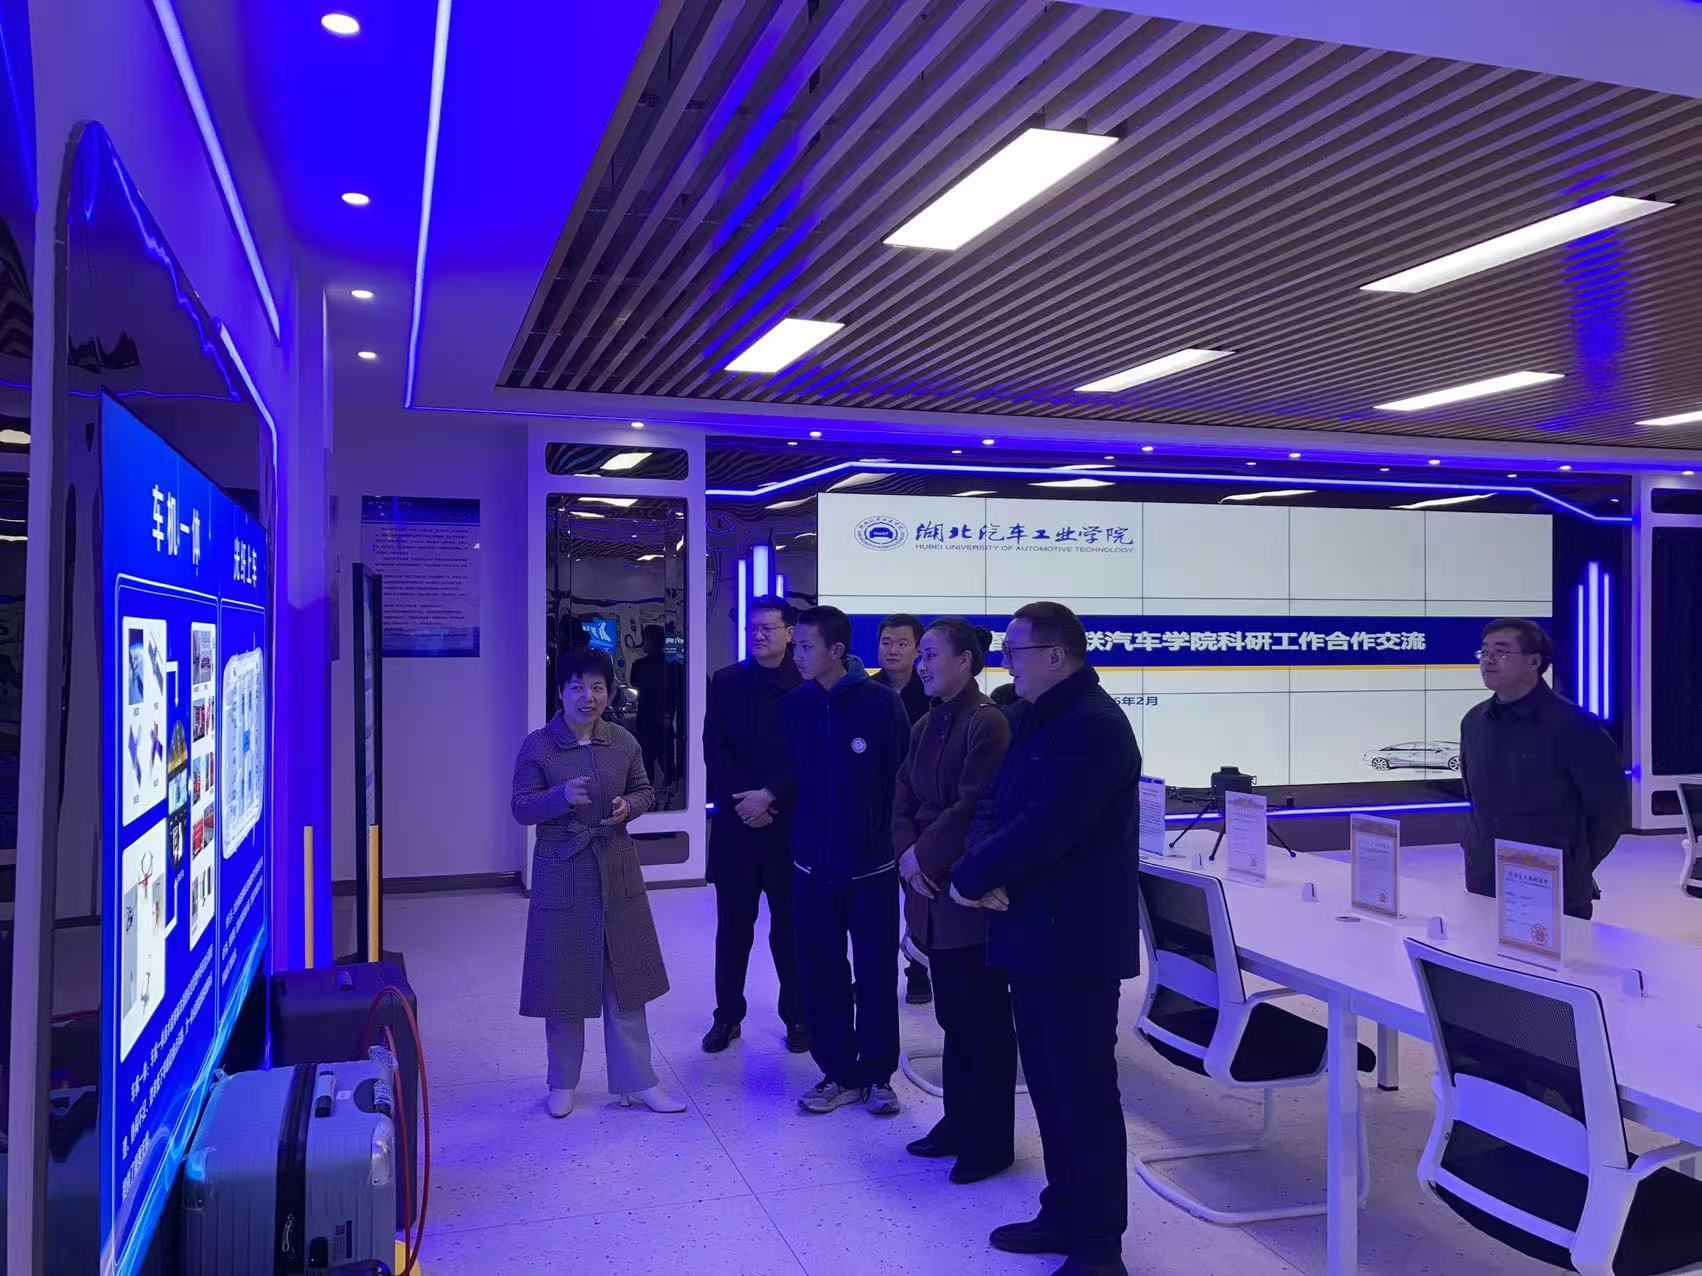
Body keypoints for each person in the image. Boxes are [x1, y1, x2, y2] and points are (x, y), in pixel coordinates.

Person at [952, 602, 1141, 1276]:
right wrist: (977, 869)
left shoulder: (1095, 726)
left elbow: (1049, 825)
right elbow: (994, 804)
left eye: (1015, 652)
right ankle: (1062, 1212)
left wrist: (971, 877)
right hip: (1032, 930)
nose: (1006, 663)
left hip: (1075, 942)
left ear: (1056, 656)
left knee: (1083, 1092)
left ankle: (1098, 1245)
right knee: (1050, 1086)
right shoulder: (1034, 715)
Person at [511, 647, 685, 1118]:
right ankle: (562, 1082)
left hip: (616, 866)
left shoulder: (622, 741)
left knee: (626, 979)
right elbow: (521, 807)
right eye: (578, 687)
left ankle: (638, 1082)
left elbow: (644, 789)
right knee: (562, 980)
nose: (588, 696)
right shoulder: (539, 746)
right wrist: (560, 796)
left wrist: (631, 807)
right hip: (563, 870)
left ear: (609, 693)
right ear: (561, 691)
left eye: (598, 687)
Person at [893, 618, 1015, 1184]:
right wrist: (907, 856)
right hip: (929, 890)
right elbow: (901, 797)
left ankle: (989, 1142)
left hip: (966, 891)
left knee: (982, 1022)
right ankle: (958, 1122)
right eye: (920, 655)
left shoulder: (987, 721)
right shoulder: (926, 722)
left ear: (965, 661)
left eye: (931, 655)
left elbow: (972, 807)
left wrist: (924, 856)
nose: (921, 664)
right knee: (953, 1017)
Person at [779, 605, 912, 1116]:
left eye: (806, 647)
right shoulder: (795, 706)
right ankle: (837, 1071)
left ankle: (877, 1075)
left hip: (872, 868)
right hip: (812, 867)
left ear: (836, 651)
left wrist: (892, 845)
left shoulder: (882, 705)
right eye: (796, 646)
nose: (797, 655)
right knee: (821, 970)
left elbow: (901, 783)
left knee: (875, 973)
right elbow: (790, 778)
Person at [1460, 617, 1629, 919]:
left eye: (1501, 651)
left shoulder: (1575, 727)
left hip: (1551, 885)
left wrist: (1574, 863)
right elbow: (1476, 799)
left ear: (1535, 661)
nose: (1488, 660)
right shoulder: (1474, 722)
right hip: (1484, 879)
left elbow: (1609, 813)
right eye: (1484, 651)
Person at [701, 596, 808, 1054]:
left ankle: (798, 1016)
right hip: (737, 822)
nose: (759, 635)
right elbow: (714, 747)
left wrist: (771, 796)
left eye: (768, 628)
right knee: (733, 928)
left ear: (790, 632)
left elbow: (808, 756)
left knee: (790, 929)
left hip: (788, 824)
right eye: (752, 628)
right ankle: (727, 1016)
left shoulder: (806, 682)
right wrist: (746, 801)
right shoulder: (727, 680)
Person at [871, 613, 934, 1005]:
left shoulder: (931, 692)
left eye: (901, 643)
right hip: (874, 811)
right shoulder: (864, 691)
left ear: (918, 649)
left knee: (918, 895)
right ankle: (874, 974)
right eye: (886, 642)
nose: (892, 650)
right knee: (874, 904)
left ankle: (919, 971)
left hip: (918, 812)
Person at [630, 623, 683, 790]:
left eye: (645, 639)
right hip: (664, 720)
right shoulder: (673, 667)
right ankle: (670, 793)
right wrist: (669, 714)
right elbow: (676, 695)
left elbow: (634, 683)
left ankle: (646, 794)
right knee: (666, 761)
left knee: (646, 762)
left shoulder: (639, 665)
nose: (643, 642)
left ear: (651, 641)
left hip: (646, 720)